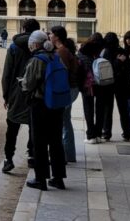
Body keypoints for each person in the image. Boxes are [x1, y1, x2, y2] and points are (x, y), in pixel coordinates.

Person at [21, 30, 67, 190]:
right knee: (56, 141)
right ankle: (58, 178)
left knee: (39, 142)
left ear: (34, 44)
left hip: (40, 104)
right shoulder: (56, 56)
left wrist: (22, 83)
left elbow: (28, 84)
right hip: (57, 103)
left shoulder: (37, 60)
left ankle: (40, 179)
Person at [0, 18, 41, 173]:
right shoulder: (41, 46)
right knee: (33, 126)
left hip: (16, 92)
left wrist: (6, 96)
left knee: (12, 127)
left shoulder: (14, 47)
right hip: (35, 93)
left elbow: (7, 74)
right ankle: (31, 155)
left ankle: (8, 158)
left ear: (23, 29)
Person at [49, 26, 80, 163]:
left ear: (56, 36)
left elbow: (62, 73)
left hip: (67, 89)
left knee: (63, 122)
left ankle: (65, 154)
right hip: (70, 88)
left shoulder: (61, 51)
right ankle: (69, 154)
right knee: (65, 121)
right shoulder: (63, 50)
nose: (49, 36)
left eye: (51, 34)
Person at [98, 32, 130, 141]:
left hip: (108, 83)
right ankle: (127, 133)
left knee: (108, 109)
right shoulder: (121, 51)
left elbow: (106, 67)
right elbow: (129, 67)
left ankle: (107, 133)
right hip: (121, 83)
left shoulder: (104, 52)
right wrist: (119, 62)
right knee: (123, 109)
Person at [77, 33, 103, 144]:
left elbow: (80, 67)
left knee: (88, 109)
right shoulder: (102, 51)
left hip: (87, 84)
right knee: (100, 110)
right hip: (101, 83)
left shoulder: (83, 51)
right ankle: (98, 134)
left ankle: (91, 135)